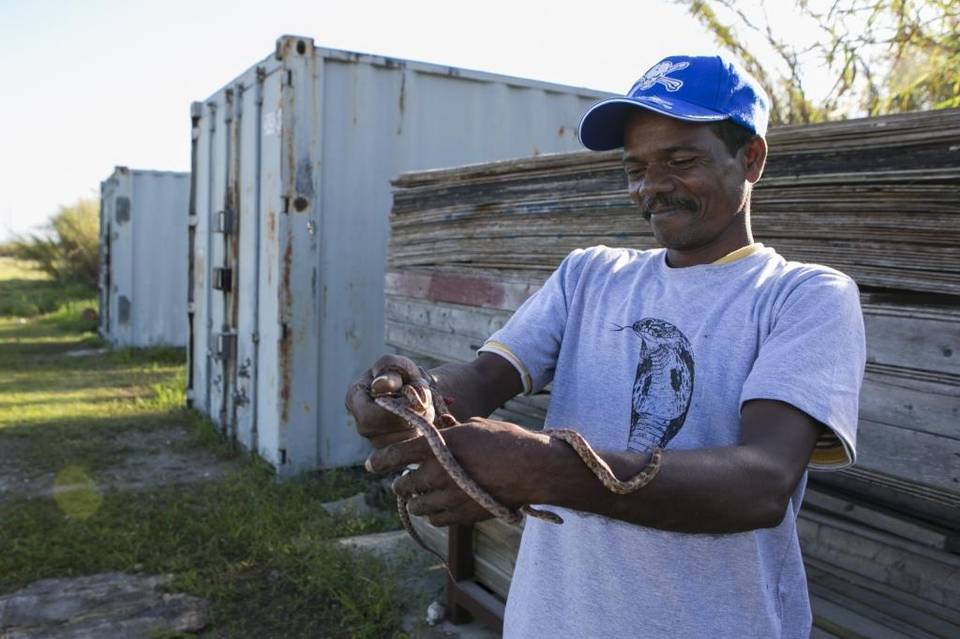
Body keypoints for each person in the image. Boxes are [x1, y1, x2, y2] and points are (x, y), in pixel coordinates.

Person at [345, 55, 866, 638]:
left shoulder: (805, 296)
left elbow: (762, 484)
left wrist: (544, 468)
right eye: (635, 167)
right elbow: (483, 379)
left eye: (681, 160)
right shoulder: (590, 275)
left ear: (751, 159)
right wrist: (413, 394)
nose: (653, 186)